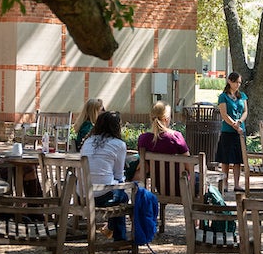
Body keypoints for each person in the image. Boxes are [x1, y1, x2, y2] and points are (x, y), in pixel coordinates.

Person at [80, 111, 130, 241]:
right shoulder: (119, 144)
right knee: (122, 195)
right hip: (102, 197)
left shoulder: (88, 141)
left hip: (82, 194)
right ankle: (119, 237)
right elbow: (119, 175)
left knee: (118, 191)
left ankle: (111, 229)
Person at [133, 101, 190, 182]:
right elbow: (188, 166)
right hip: (183, 188)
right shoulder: (176, 137)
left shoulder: (143, 139)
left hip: (160, 186)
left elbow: (145, 167)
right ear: (167, 119)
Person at [215, 72, 248, 191]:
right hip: (228, 131)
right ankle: (224, 184)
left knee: (238, 160)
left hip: (240, 131)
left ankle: (237, 184)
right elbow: (224, 114)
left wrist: (240, 122)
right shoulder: (223, 97)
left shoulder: (242, 95)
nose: (238, 84)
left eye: (239, 82)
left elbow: (245, 111)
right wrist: (234, 125)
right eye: (236, 82)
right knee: (226, 160)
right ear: (229, 81)